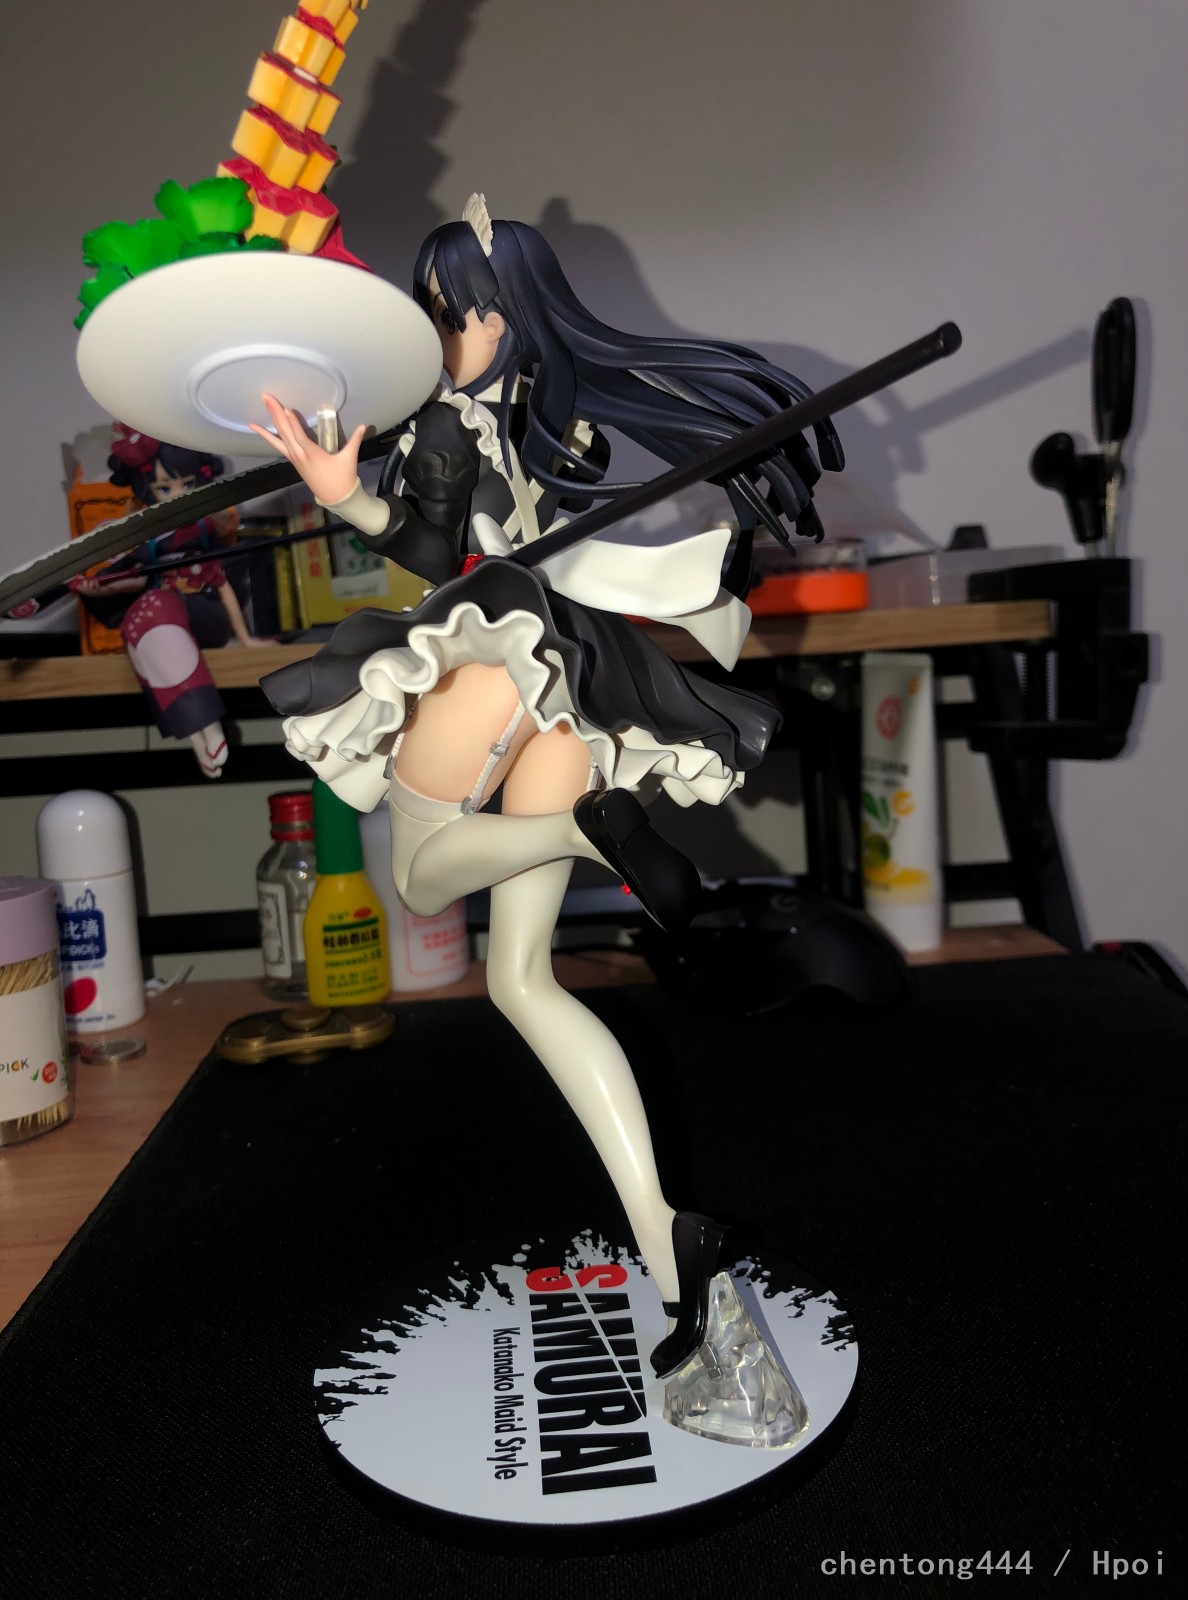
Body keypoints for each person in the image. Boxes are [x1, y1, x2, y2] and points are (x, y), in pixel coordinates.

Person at [256, 195, 842, 1390]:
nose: (440, 330)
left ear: (499, 315)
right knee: (521, 979)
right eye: (433, 310)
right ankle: (670, 1244)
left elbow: (429, 551)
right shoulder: (546, 414)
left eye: (453, 311)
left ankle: (580, 828)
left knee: (421, 877)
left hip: (493, 661)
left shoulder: (446, 419)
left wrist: (342, 490)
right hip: (567, 683)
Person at [75, 427, 270, 776]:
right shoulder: (152, 540)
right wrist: (99, 590)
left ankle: (204, 725)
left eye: (187, 485)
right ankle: (199, 733)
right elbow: (135, 578)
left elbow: (222, 583)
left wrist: (244, 638)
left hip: (205, 615)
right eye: (165, 488)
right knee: (137, 622)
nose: (178, 496)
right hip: (167, 620)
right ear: (147, 490)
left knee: (151, 609)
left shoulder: (202, 534)